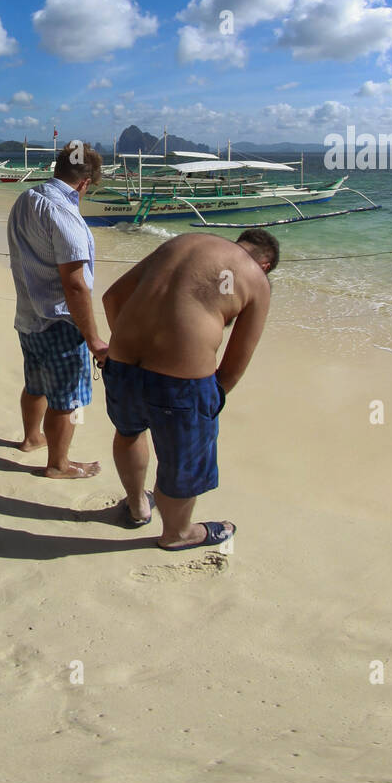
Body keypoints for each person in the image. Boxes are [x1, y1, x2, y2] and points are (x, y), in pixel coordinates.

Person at [101, 226, 276, 550]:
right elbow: (235, 363)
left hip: (122, 366)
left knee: (129, 433)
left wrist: (127, 348)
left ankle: (138, 506)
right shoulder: (256, 279)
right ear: (266, 265)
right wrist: (210, 398)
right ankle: (177, 533)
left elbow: (111, 297)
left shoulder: (182, 242)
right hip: (180, 384)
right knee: (183, 461)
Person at [4, 142, 106, 482]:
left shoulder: (25, 199)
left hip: (28, 314)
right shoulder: (63, 212)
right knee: (66, 399)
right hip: (59, 322)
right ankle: (58, 465)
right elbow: (75, 284)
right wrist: (93, 339)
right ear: (85, 182)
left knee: (36, 384)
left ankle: (32, 438)